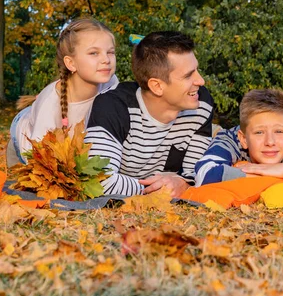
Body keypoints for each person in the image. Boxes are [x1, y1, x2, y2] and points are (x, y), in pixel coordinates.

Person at [84, 31, 213, 197]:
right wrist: (161, 190)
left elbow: (195, 175)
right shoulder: (113, 107)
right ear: (157, 86)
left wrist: (183, 184)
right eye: (188, 75)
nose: (200, 81)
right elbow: (98, 181)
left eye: (197, 70)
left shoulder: (201, 103)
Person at [7, 18, 118, 167]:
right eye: (94, 53)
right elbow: (38, 158)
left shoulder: (111, 82)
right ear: (71, 63)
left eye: (110, 52)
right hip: (26, 146)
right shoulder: (50, 106)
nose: (106, 59)